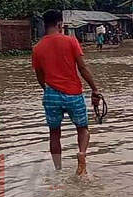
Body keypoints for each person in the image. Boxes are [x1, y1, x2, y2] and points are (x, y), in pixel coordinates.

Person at [32, 10, 101, 176]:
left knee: (54, 133)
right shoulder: (71, 41)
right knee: (82, 128)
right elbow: (82, 68)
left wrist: (49, 91)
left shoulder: (37, 48)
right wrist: (95, 89)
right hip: (73, 94)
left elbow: (40, 76)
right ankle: (82, 154)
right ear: (59, 24)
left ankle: (58, 169)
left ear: (44, 25)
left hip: (51, 94)